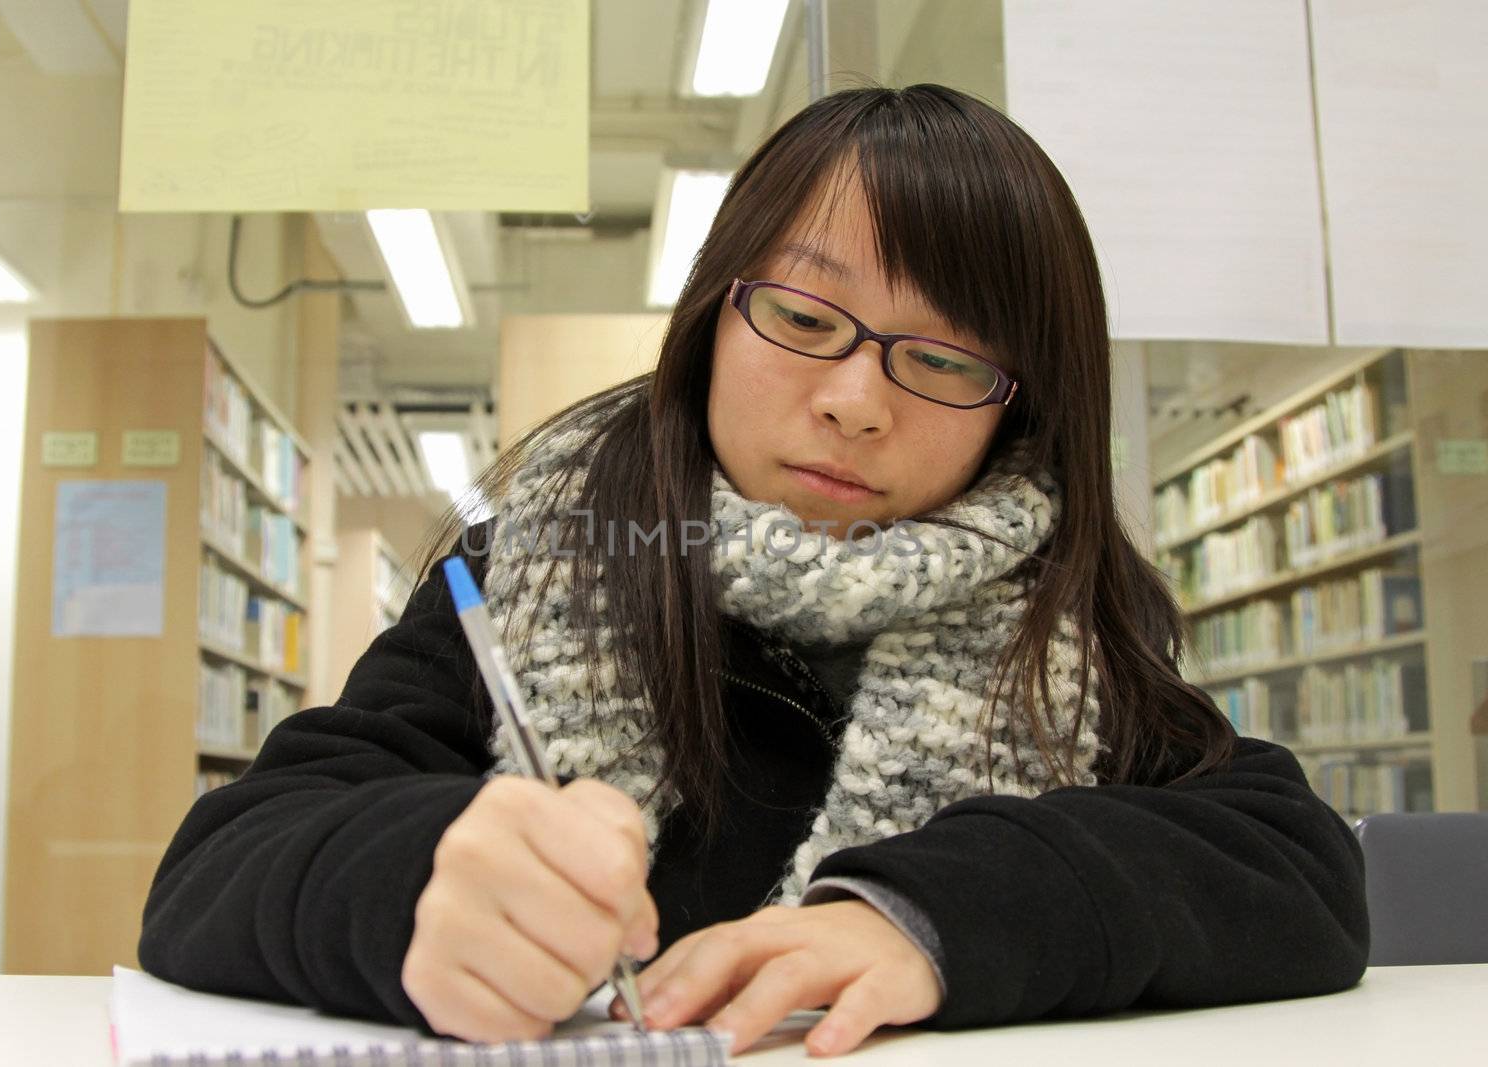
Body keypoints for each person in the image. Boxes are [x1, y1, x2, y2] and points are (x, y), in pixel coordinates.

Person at [139, 85, 1368, 1057]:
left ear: (1020, 409)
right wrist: (418, 882)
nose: (853, 401)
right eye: (801, 316)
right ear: (714, 314)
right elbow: (221, 862)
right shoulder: (540, 561)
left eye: (944, 358)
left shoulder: (1055, 621)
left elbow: (1293, 862)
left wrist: (924, 920)